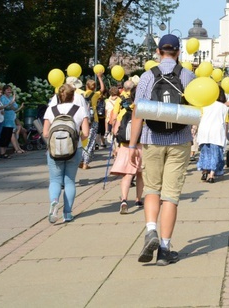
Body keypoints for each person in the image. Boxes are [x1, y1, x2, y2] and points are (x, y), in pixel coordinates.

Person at [129, 34, 195, 266]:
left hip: (152, 139)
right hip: (179, 141)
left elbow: (139, 113)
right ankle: (165, 249)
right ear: (178, 52)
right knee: (171, 196)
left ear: (158, 52)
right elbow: (197, 110)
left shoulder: (147, 78)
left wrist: (132, 145)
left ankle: (150, 230)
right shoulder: (188, 76)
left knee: (152, 189)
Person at [43, 83, 89, 223]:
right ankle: (67, 213)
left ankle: (54, 201)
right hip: (74, 149)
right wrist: (76, 140)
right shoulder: (80, 110)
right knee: (69, 181)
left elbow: (45, 133)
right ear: (73, 96)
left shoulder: (51, 110)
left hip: (54, 150)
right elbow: (86, 133)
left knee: (55, 180)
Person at [110, 86, 142, 214]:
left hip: (125, 145)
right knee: (140, 174)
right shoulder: (143, 110)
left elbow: (115, 130)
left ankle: (124, 199)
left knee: (127, 175)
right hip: (140, 145)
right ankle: (138, 199)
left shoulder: (124, 111)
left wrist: (116, 146)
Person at [196, 90, 229, 183]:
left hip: (204, 132)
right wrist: (226, 136)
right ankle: (211, 175)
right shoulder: (224, 107)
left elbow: (199, 118)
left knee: (205, 153)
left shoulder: (204, 105)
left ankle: (204, 172)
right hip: (217, 133)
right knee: (215, 154)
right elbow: (226, 123)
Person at [81, 73, 106, 167]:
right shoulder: (95, 95)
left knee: (83, 140)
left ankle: (81, 160)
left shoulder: (81, 95)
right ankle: (85, 162)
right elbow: (103, 89)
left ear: (86, 86)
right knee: (91, 141)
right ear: (94, 87)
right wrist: (100, 77)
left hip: (83, 120)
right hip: (94, 119)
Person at [0, 85, 22, 159]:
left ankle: (4, 152)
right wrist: (10, 105)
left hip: (11, 119)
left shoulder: (11, 98)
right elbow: (6, 107)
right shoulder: (3, 98)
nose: (9, 91)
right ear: (4, 91)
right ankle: (2, 152)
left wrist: (11, 105)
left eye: (10, 90)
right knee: (5, 135)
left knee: (8, 136)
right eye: (7, 90)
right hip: (5, 119)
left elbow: (15, 107)